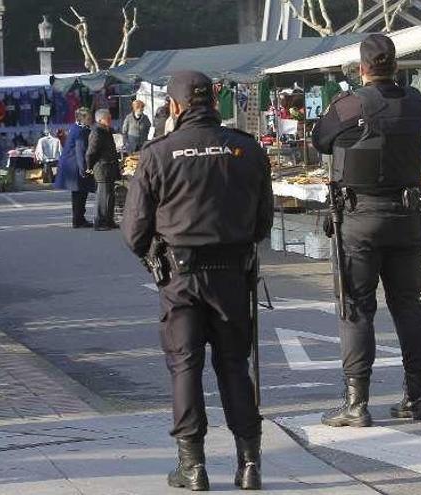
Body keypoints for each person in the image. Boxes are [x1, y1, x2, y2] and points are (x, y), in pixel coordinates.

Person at [122, 70, 273, 492]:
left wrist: (155, 254)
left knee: (185, 366)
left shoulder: (158, 154)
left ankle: (193, 465)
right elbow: (264, 223)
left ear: (174, 106)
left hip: (180, 274)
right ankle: (249, 464)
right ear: (214, 101)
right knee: (234, 367)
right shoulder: (246, 149)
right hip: (232, 273)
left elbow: (133, 230)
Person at [312, 33, 421, 428]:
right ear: (395, 65)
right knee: (409, 305)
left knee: (357, 308)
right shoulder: (415, 102)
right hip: (407, 215)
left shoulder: (349, 105)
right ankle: (417, 398)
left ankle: (356, 403)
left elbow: (321, 139)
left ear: (363, 68)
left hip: (361, 219)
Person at [53, 108, 95, 228]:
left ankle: (78, 219)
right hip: (74, 165)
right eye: (88, 118)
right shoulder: (80, 131)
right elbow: (80, 151)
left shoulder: (76, 128)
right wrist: (84, 169)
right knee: (80, 193)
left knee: (79, 193)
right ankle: (78, 220)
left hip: (72, 164)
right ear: (81, 119)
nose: (91, 119)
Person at [87, 109, 121, 231]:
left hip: (110, 166)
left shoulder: (107, 131)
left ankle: (109, 220)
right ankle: (99, 222)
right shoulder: (97, 132)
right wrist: (89, 167)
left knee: (110, 195)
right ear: (100, 119)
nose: (110, 119)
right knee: (102, 196)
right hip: (102, 167)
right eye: (108, 117)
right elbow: (91, 152)